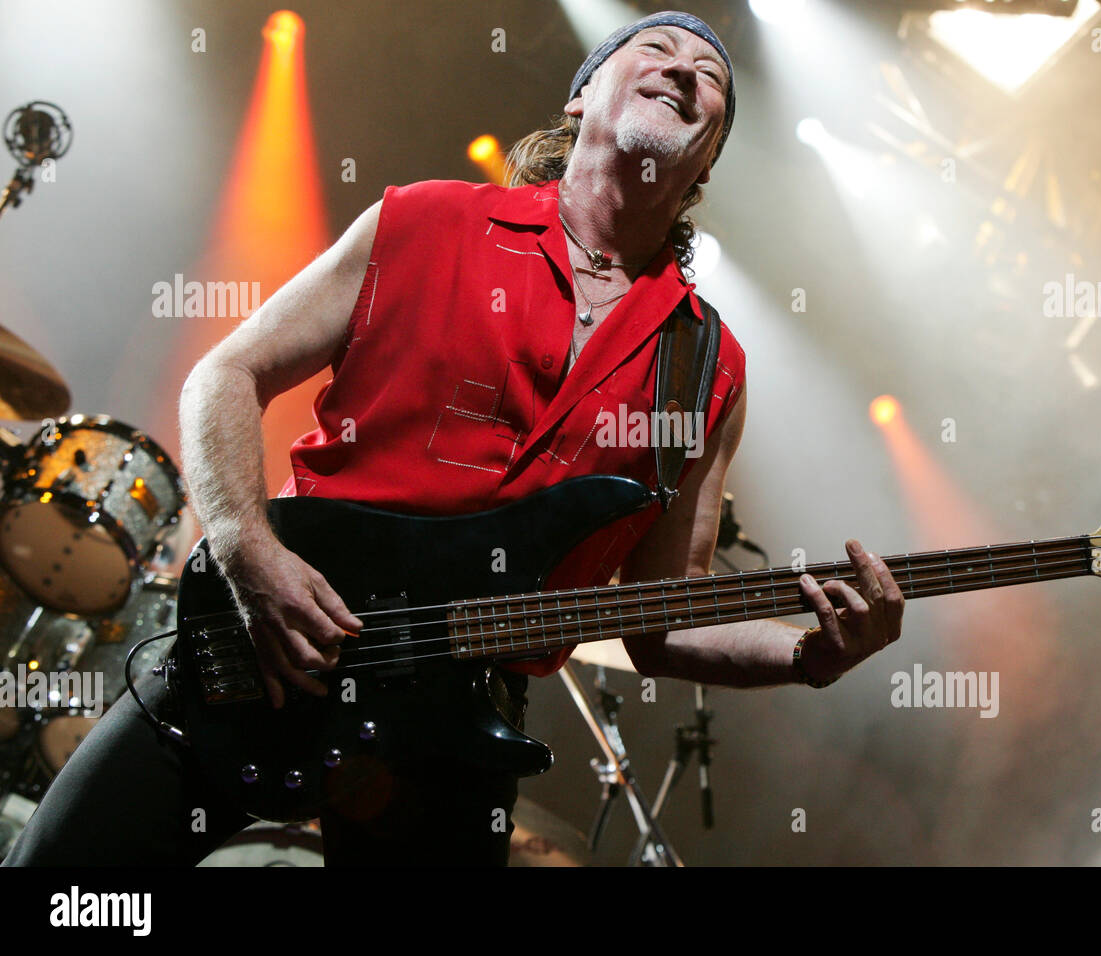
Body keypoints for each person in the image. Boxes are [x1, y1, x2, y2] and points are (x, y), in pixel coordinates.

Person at [2, 11, 903, 867]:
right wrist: (244, 545)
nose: (684, 70)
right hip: (269, 637)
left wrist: (806, 655)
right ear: (581, 97)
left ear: (706, 156)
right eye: (659, 48)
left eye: (712, 77)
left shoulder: (707, 365)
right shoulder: (426, 221)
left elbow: (661, 619)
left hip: (456, 721)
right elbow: (225, 376)